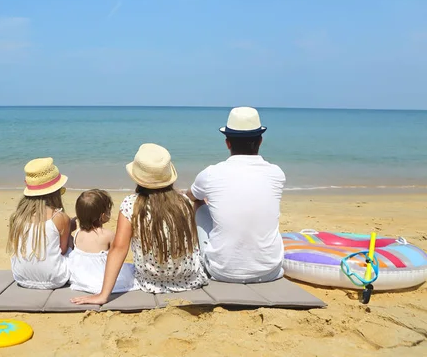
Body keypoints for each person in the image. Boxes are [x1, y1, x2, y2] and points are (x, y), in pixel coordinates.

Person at [72, 143, 208, 305]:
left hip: (150, 280)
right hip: (188, 278)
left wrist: (103, 295)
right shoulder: (184, 201)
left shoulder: (131, 205)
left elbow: (119, 248)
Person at [187, 107, 285, 283]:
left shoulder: (210, 173)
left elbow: (192, 196)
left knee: (199, 204)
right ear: (260, 141)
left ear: (228, 143)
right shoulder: (276, 173)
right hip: (270, 271)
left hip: (221, 272)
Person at [8, 157, 72, 289]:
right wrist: (70, 230)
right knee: (73, 243)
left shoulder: (18, 216)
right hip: (55, 279)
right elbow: (63, 250)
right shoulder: (59, 217)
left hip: (21, 277)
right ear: (55, 192)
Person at [68, 189, 137, 294]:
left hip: (81, 279)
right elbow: (117, 255)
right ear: (103, 216)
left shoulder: (78, 233)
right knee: (131, 270)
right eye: (109, 209)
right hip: (101, 280)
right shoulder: (107, 235)